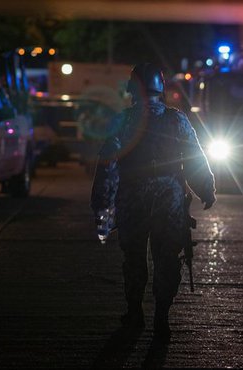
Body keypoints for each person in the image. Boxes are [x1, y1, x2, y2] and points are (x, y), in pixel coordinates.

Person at [91, 63, 216, 343]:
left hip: (131, 198)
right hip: (169, 201)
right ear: (161, 89)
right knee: (167, 259)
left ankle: (135, 313)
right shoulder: (177, 120)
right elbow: (194, 159)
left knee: (134, 259)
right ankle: (162, 319)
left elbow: (107, 165)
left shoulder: (122, 121)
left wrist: (103, 207)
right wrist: (206, 190)